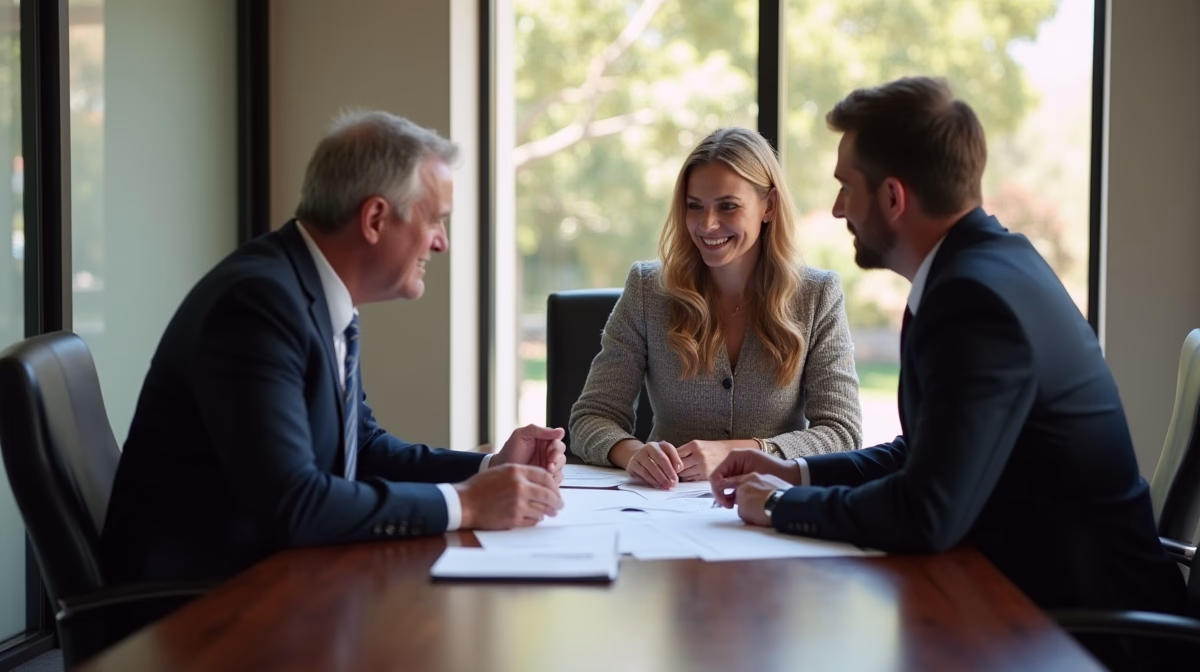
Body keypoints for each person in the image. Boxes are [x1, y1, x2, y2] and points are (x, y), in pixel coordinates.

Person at [709, 78, 1184, 670]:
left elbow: (927, 512)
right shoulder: (987, 266)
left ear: (892, 197)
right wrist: (796, 471)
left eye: (844, 187)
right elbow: (926, 452)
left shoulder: (974, 300)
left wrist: (781, 507)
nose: (836, 209)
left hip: (1082, 636)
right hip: (1023, 602)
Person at [102, 111, 566, 584]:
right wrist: (467, 503)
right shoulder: (257, 305)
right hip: (197, 613)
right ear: (375, 219)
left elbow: (361, 448)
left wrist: (489, 467)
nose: (442, 243)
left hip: (275, 579)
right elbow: (294, 505)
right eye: (436, 221)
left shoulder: (306, 289)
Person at [569, 127, 861, 489]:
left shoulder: (817, 295)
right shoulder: (648, 290)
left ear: (768, 206)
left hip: (774, 507)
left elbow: (842, 432)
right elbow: (591, 418)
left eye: (728, 206)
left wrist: (746, 452)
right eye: (695, 206)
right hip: (664, 509)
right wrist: (632, 452)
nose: (707, 225)